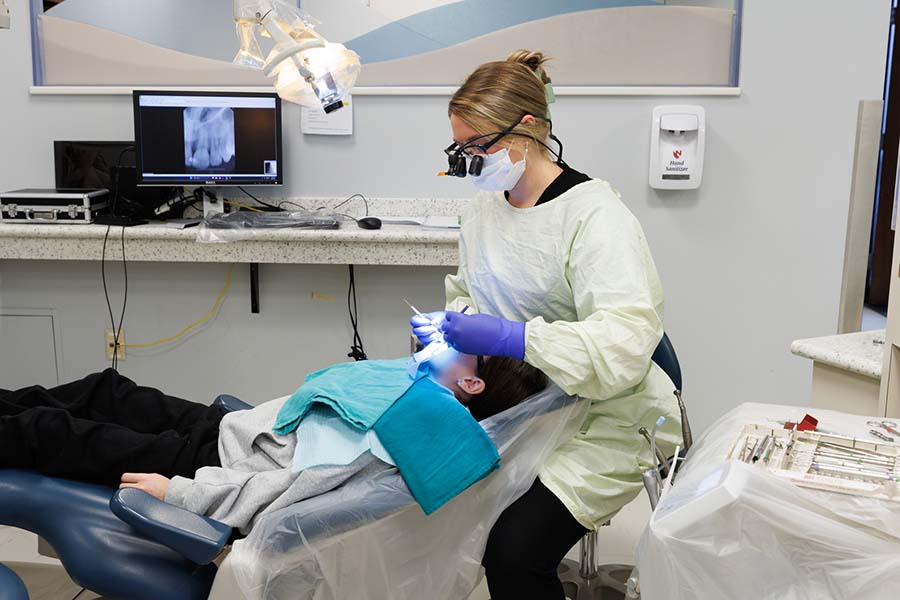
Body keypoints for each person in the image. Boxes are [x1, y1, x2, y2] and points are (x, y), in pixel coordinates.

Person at [411, 50, 683, 599]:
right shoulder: (486, 209)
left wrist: (514, 338)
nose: (469, 161)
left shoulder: (594, 216)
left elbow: (626, 342)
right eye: (459, 148)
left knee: (512, 550)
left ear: (529, 128)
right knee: (430, 502)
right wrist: (453, 328)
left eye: (478, 147)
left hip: (607, 416)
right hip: (524, 407)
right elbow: (468, 291)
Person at [0, 351, 546, 533]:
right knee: (106, 388)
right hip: (228, 431)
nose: (443, 334)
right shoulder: (419, 392)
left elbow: (293, 491)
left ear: (471, 384)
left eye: (460, 342)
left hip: (207, 467)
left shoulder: (408, 434)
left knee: (49, 432)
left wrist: (185, 495)